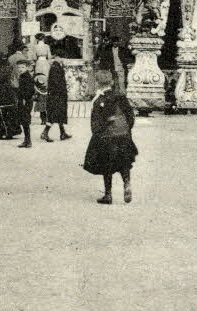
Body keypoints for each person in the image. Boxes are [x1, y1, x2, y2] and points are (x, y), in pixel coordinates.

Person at [83, 69, 138, 203]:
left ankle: (108, 195)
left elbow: (96, 124)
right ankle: (127, 183)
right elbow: (130, 116)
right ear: (112, 82)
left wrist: (97, 136)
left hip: (107, 137)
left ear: (97, 83)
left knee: (106, 164)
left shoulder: (98, 100)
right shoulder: (120, 96)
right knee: (124, 161)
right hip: (123, 134)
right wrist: (127, 130)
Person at [44, 59, 71, 141]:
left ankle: (62, 133)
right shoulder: (55, 67)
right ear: (59, 57)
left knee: (59, 113)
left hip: (56, 94)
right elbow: (56, 82)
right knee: (55, 113)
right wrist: (63, 90)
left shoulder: (56, 66)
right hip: (57, 95)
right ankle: (45, 133)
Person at [13, 58, 36, 148]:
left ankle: (28, 140)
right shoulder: (23, 76)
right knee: (23, 120)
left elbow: (30, 90)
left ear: (27, 67)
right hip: (22, 100)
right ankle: (26, 140)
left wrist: (24, 98)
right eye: (19, 67)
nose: (20, 69)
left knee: (25, 120)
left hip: (25, 101)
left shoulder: (27, 77)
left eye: (22, 67)